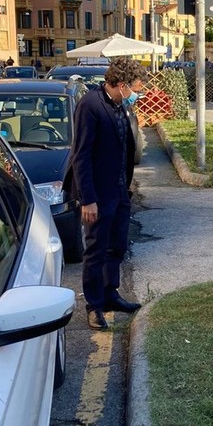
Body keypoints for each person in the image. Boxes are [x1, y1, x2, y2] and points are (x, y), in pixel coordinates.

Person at [70, 56, 145, 330]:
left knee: (117, 247)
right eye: (136, 87)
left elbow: (124, 148)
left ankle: (111, 294)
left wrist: (125, 186)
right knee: (96, 251)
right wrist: (88, 199)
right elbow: (81, 156)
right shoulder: (90, 106)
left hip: (119, 190)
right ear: (122, 84)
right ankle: (94, 305)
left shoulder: (119, 106)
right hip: (98, 195)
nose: (138, 93)